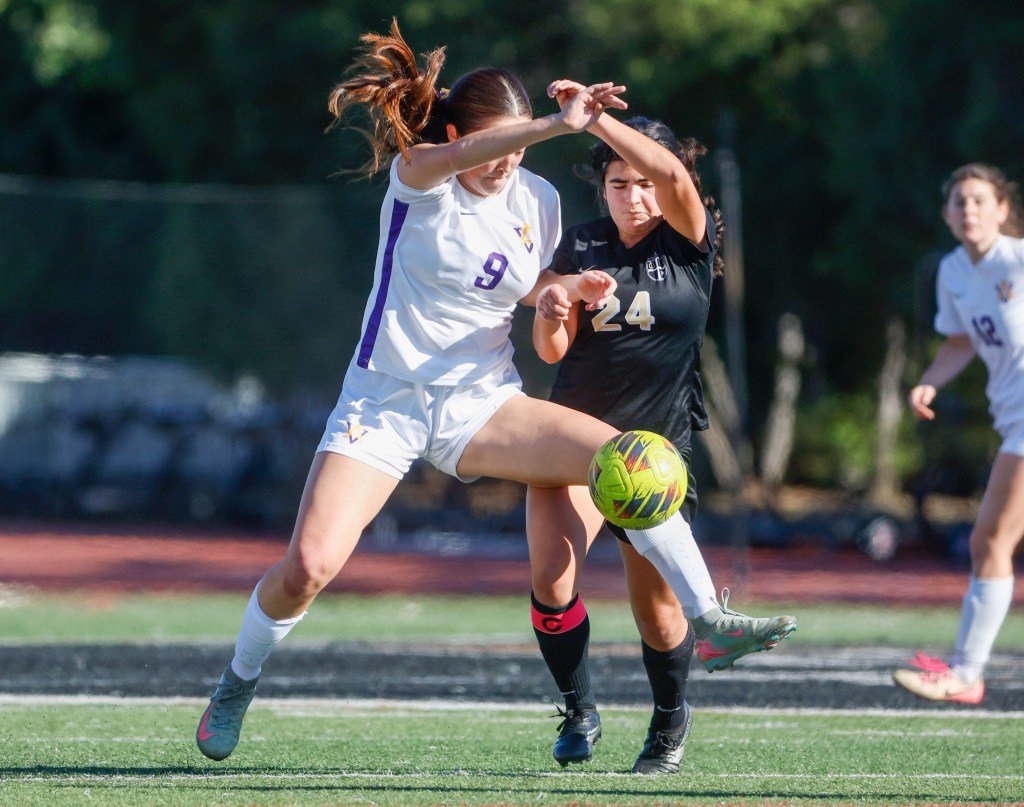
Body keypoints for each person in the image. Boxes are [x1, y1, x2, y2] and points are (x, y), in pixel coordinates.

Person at [194, 21, 790, 765]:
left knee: (631, 455)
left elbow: (525, 286)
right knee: (308, 566)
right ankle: (237, 682)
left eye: (520, 147)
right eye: (497, 145)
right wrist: (548, 124)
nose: (509, 160)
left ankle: (711, 617)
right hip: (385, 401)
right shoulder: (420, 178)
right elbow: (458, 155)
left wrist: (561, 291)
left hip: (480, 402)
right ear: (456, 134)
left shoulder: (534, 199)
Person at [526, 82, 797, 773]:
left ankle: (669, 724)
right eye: (618, 183)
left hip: (654, 454)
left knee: (658, 616)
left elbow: (673, 175)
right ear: (603, 186)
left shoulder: (688, 241)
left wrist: (600, 119)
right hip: (572, 440)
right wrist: (556, 307)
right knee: (552, 584)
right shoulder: (581, 243)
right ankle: (578, 707)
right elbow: (550, 351)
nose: (634, 196)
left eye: (644, 182)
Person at [894, 163, 1024, 705]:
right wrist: (928, 382)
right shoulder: (952, 271)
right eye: (959, 202)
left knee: (989, 541)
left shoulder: (1018, 259)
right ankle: (967, 673)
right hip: (1013, 419)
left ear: (1002, 210)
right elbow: (961, 342)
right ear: (947, 215)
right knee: (989, 543)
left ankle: (966, 674)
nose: (968, 210)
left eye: (979, 201)